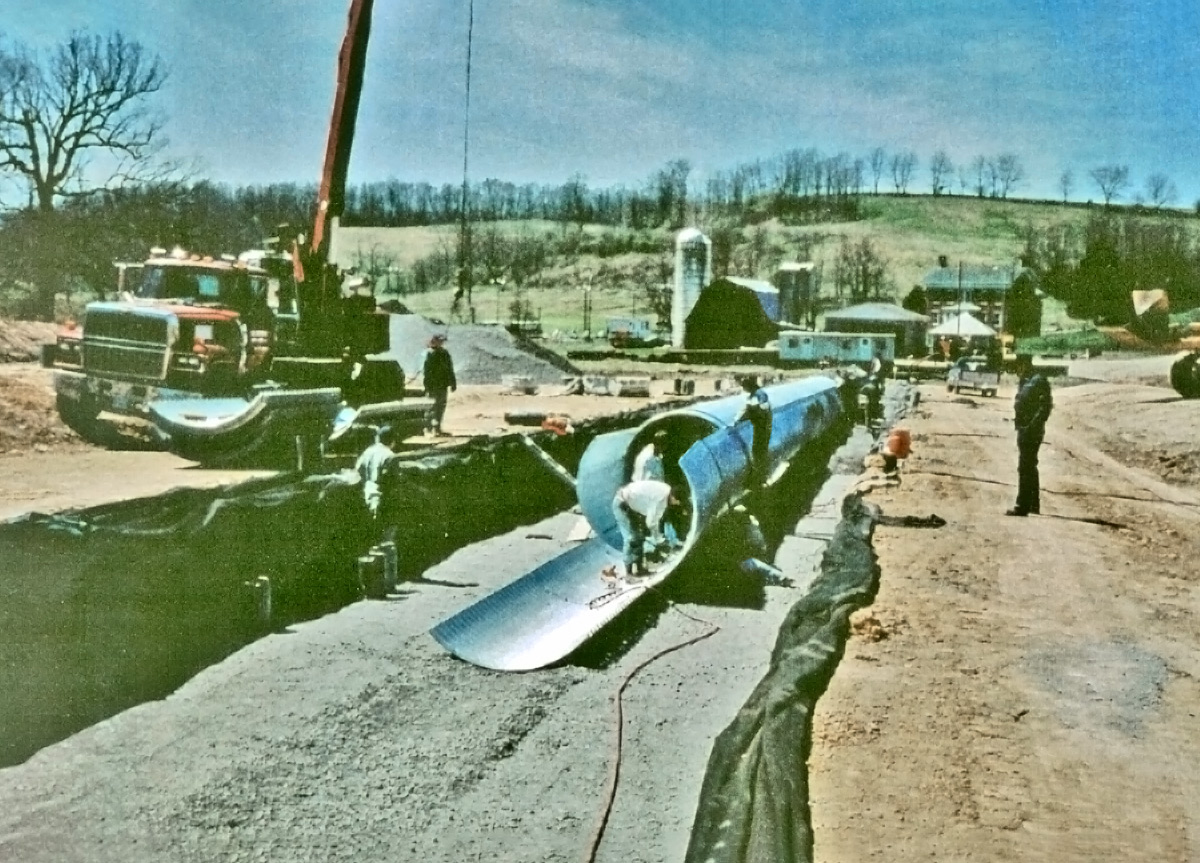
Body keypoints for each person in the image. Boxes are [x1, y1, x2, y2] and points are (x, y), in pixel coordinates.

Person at [1007, 353, 1052, 516]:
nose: (1017, 369)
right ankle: (1033, 503)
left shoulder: (1038, 381)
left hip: (1031, 431)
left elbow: (1044, 407)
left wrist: (1031, 426)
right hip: (1024, 429)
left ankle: (1022, 505)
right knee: (1029, 466)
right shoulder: (1026, 381)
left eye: (1019, 365)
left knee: (1025, 467)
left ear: (1025, 364)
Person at [611, 479, 678, 578]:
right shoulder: (661, 498)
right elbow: (651, 523)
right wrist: (659, 540)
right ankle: (629, 574)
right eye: (676, 502)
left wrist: (658, 538)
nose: (675, 504)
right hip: (622, 503)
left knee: (640, 536)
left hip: (631, 503)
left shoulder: (665, 491)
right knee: (631, 537)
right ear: (673, 497)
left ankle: (640, 569)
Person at [734, 375, 772, 488]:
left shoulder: (760, 395)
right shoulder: (755, 395)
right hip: (760, 427)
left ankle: (760, 479)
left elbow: (761, 409)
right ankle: (760, 478)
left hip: (763, 428)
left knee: (759, 453)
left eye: (744, 386)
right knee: (758, 452)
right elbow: (747, 409)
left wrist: (741, 417)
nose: (743, 389)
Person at [419, 333, 456, 436]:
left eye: (442, 341)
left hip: (443, 385)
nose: (441, 343)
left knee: (441, 407)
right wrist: (427, 385)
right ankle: (428, 428)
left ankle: (438, 428)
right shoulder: (429, 354)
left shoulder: (445, 353)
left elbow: (450, 368)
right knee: (431, 407)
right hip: (433, 385)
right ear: (434, 341)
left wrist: (453, 382)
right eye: (439, 341)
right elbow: (426, 371)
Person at [355, 426, 395, 518]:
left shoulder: (367, 451)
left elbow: (358, 468)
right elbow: (389, 477)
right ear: (392, 440)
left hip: (366, 492)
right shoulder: (389, 455)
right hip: (381, 495)